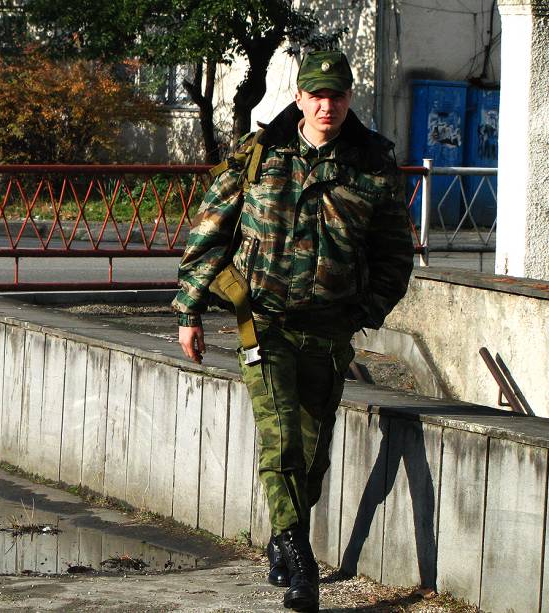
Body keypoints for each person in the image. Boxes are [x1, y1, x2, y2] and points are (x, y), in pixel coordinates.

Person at [173, 50, 414, 612]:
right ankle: (303, 558)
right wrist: (188, 311)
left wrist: (365, 311)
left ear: (349, 98)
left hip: (330, 330)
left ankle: (282, 537)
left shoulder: (372, 164)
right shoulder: (260, 154)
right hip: (264, 323)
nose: (327, 105)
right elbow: (210, 230)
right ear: (300, 98)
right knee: (280, 437)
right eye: (317, 95)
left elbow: (395, 255)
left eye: (337, 95)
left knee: (312, 453)